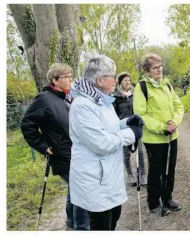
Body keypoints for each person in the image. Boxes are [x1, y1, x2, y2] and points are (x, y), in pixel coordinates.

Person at [68, 55, 144, 230]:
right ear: (100, 80)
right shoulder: (82, 105)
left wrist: (127, 123)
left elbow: (110, 127)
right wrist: (131, 134)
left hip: (108, 175)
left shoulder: (102, 100)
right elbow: (101, 143)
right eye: (113, 76)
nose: (115, 81)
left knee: (114, 217)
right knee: (102, 225)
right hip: (95, 178)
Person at [20, 63, 90, 230]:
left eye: (71, 76)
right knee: (82, 189)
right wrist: (43, 146)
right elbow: (26, 125)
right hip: (61, 154)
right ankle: (82, 228)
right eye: (67, 77)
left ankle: (71, 223)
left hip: (76, 152)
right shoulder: (44, 99)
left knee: (75, 188)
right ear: (55, 80)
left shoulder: (67, 97)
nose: (70, 80)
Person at [133, 53, 184, 215]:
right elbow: (142, 115)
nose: (159, 69)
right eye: (155, 67)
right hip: (154, 138)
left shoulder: (167, 85)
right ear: (147, 71)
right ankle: (154, 202)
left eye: (160, 66)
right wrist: (162, 127)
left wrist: (174, 122)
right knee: (156, 171)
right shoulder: (141, 87)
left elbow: (179, 106)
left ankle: (167, 198)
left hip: (171, 136)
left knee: (170, 169)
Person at [113, 72, 147, 187]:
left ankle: (142, 175)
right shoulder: (116, 96)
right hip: (123, 128)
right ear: (120, 82)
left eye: (129, 80)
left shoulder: (135, 93)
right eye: (125, 80)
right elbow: (114, 114)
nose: (127, 82)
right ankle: (130, 175)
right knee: (126, 154)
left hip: (136, 126)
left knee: (140, 152)